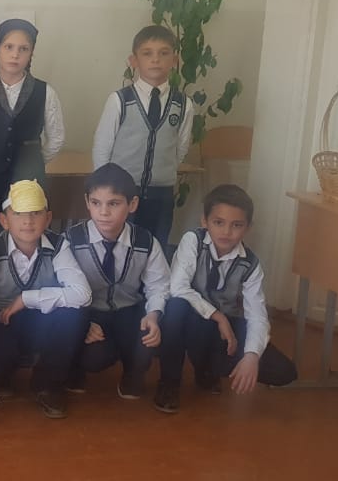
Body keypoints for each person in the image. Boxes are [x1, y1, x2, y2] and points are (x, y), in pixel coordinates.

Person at [155, 184, 297, 413]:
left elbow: (257, 316)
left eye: (236, 225)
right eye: (218, 222)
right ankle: (169, 382)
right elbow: (177, 287)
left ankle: (207, 370)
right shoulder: (193, 240)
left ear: (248, 228)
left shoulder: (251, 265)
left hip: (226, 329)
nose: (226, 232)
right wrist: (217, 316)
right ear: (205, 221)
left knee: (284, 372)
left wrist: (251, 356)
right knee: (176, 307)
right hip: (194, 320)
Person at [0, 180, 90, 419]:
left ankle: (47, 386)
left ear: (48, 219)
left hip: (40, 318)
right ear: (4, 220)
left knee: (74, 315)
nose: (28, 221)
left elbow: (82, 294)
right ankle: (0, 376)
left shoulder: (58, 246)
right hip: (2, 320)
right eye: (18, 214)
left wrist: (26, 299)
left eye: (36, 213)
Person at [65, 163, 170, 400]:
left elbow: (159, 284)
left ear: (132, 204)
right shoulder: (71, 240)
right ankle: (75, 368)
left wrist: (153, 314)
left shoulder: (146, 242)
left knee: (147, 339)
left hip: (129, 311)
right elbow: (61, 286)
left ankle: (133, 374)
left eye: (113, 203)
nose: (103, 212)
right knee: (93, 356)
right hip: (89, 313)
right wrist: (81, 322)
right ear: (87, 202)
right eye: (96, 203)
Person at [92, 25, 194, 248]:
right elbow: (102, 147)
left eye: (163, 53)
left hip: (162, 193)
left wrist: (162, 172)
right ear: (134, 61)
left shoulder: (183, 104)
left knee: (155, 247)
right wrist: (105, 188)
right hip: (122, 191)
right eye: (147, 53)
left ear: (174, 60)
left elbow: (181, 147)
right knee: (119, 246)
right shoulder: (120, 100)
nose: (155, 60)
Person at [0, 19, 65, 240]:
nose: (15, 55)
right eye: (9, 47)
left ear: (31, 53)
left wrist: (34, 159)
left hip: (29, 179)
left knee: (26, 235)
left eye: (23, 49)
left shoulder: (46, 92)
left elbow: (56, 138)